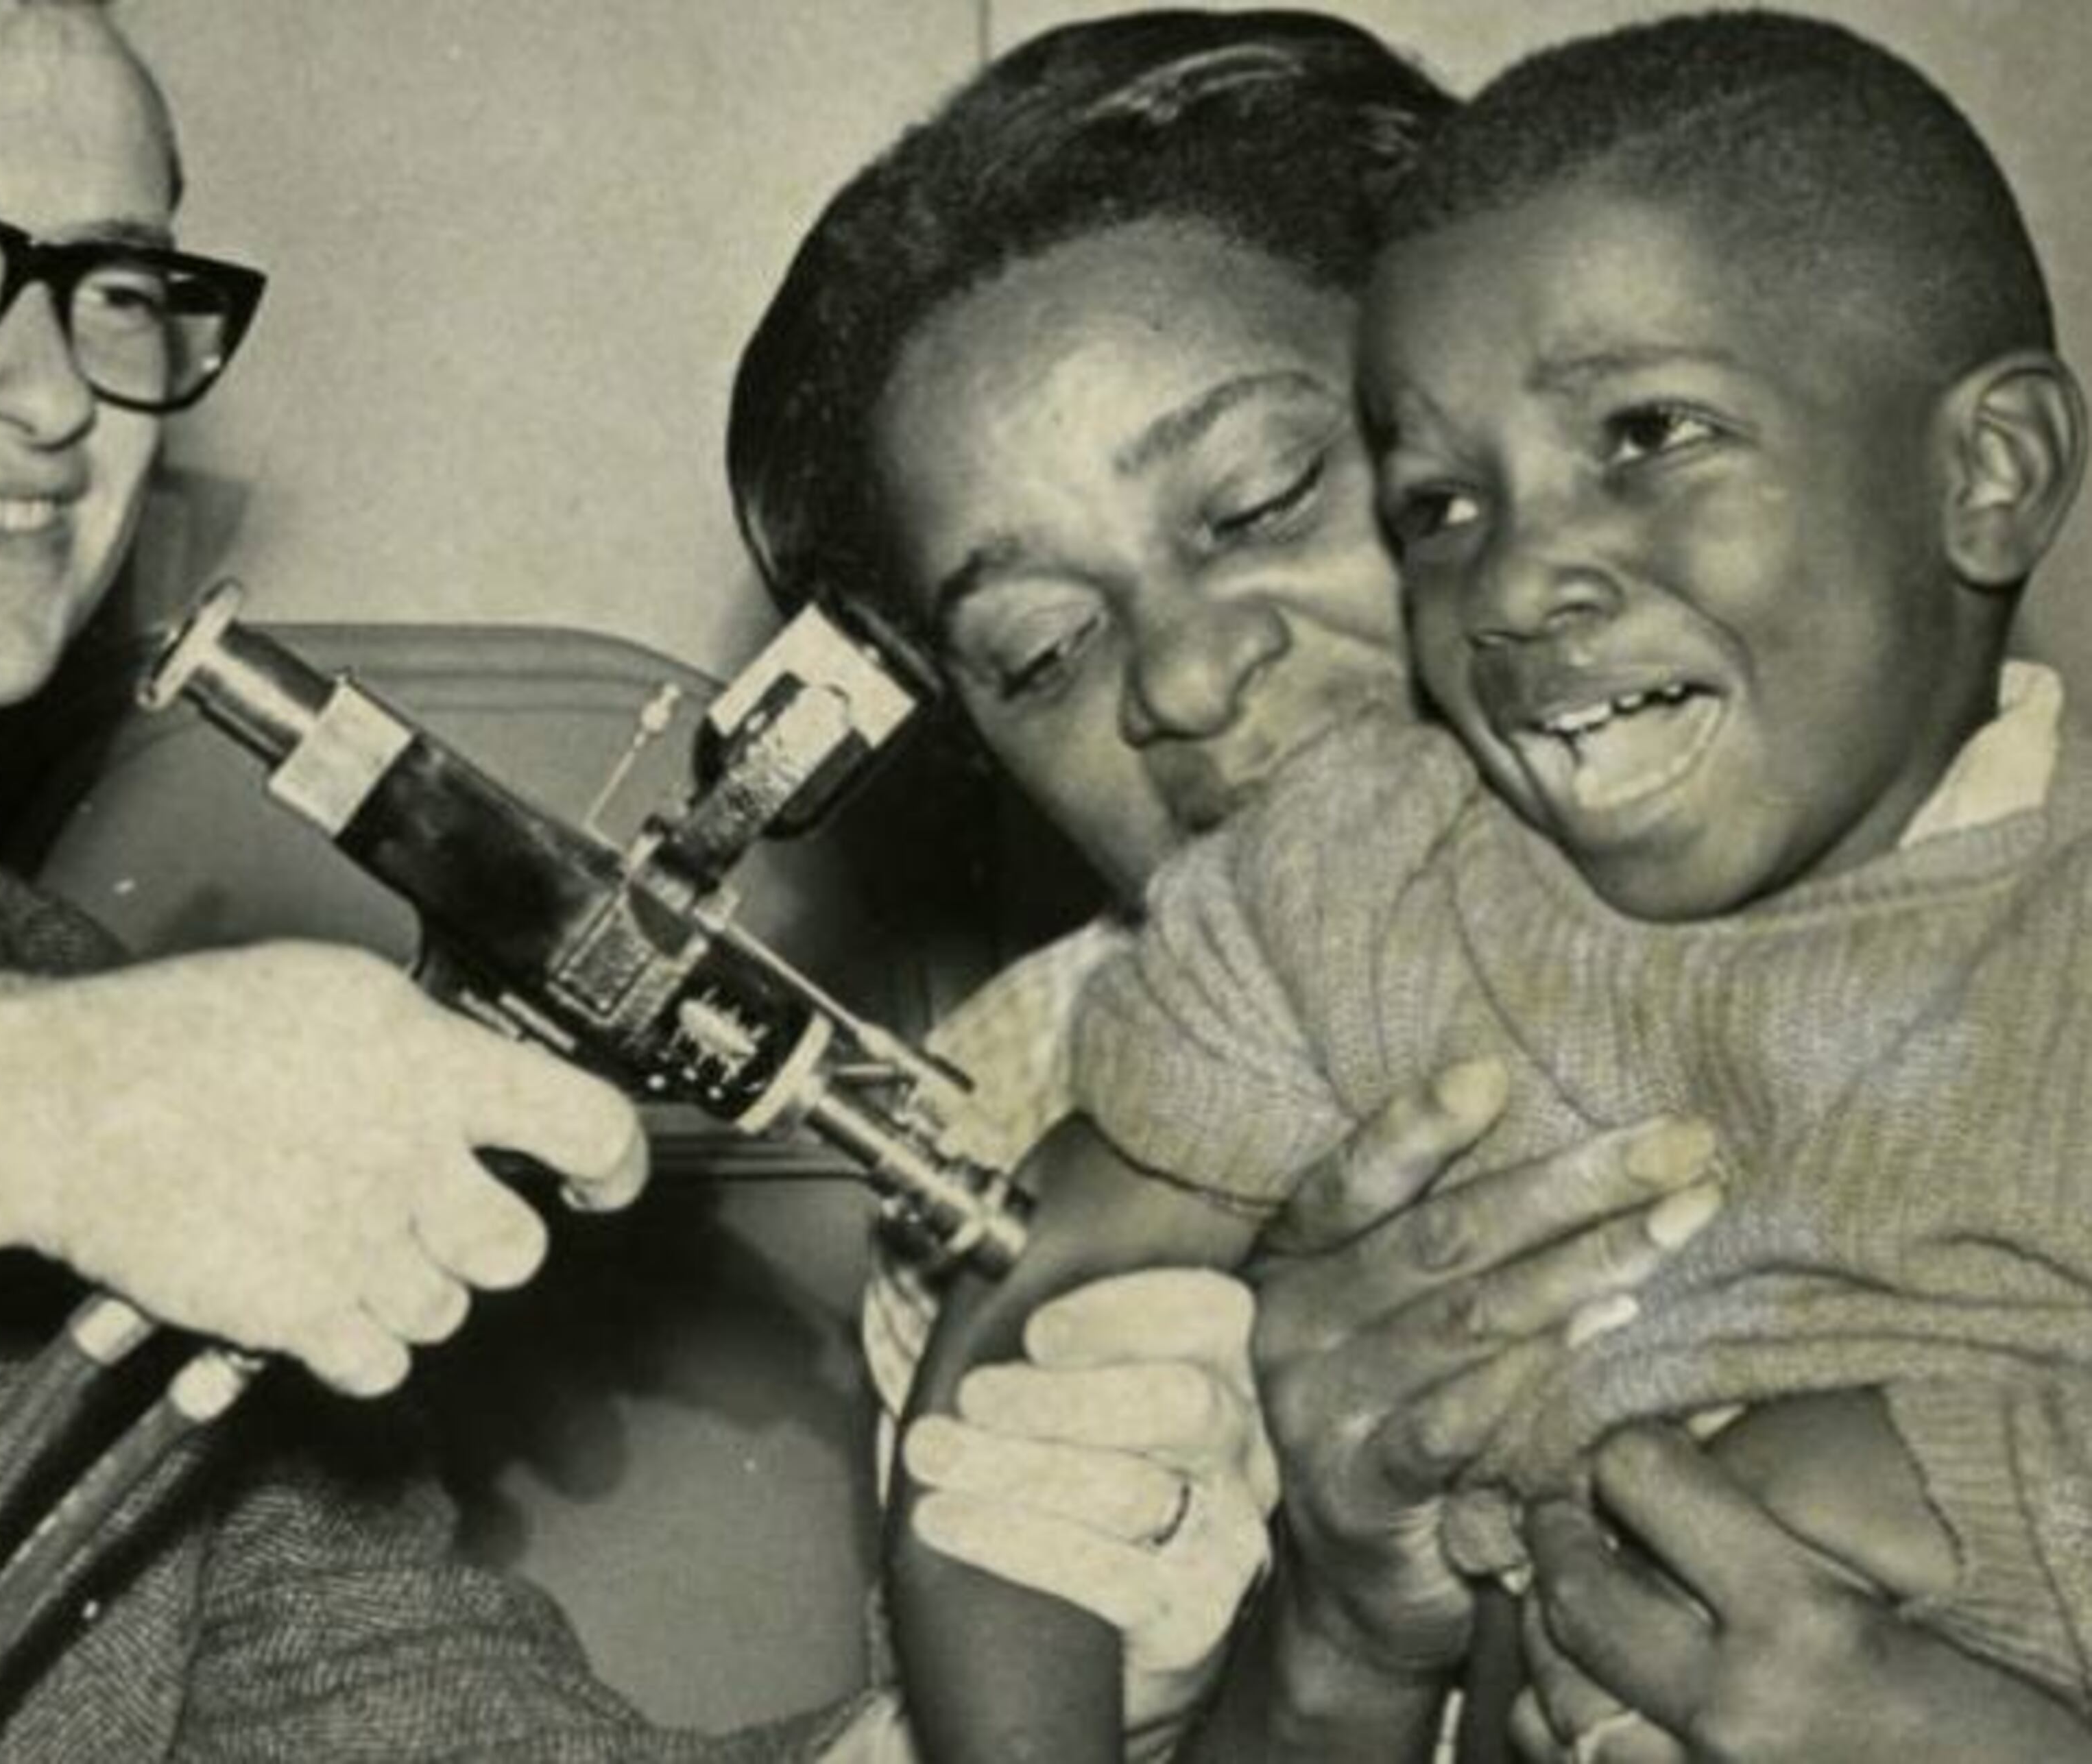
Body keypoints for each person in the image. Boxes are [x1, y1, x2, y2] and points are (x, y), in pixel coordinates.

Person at [0, 1, 1246, 1756]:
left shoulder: (125, 1050)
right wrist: (35, 1110)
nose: (44, 387)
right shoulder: (119, 1087)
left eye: (114, 286)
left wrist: (1016, 1698)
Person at [732, 10, 2092, 1764]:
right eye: (1041, 649)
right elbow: (1000, 1509)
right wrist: (1340, 1639)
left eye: (1269, 498)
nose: (1186, 685)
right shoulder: (1050, 1082)